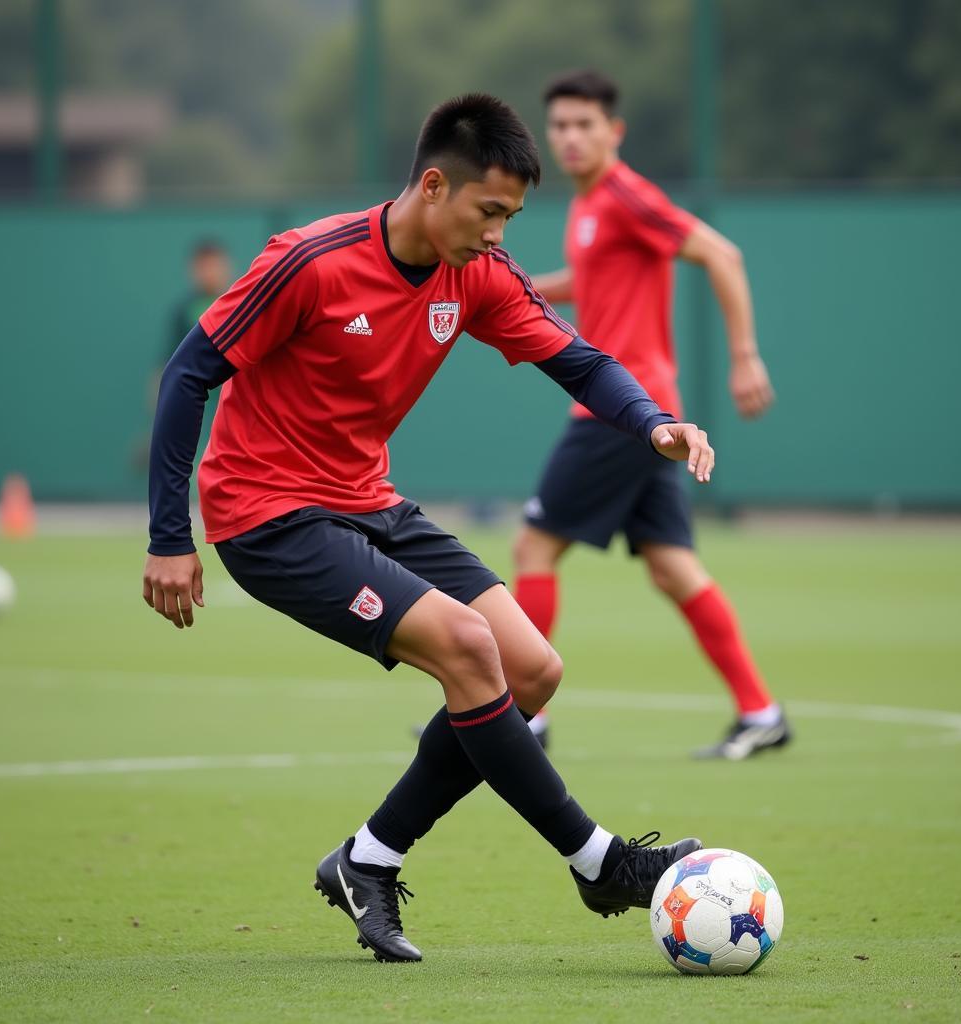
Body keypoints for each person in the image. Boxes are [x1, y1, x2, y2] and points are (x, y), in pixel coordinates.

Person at [143, 94, 716, 964]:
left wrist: (654, 422)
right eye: (489, 212)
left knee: (532, 668)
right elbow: (190, 372)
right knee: (467, 644)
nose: (498, 235)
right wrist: (168, 536)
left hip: (369, 501)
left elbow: (580, 359)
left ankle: (367, 860)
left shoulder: (477, 273)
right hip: (267, 514)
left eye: (512, 217)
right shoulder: (311, 260)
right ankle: (599, 863)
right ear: (434, 185)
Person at [513, 70, 789, 761]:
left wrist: (745, 355)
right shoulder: (586, 208)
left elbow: (721, 253)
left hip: (620, 410)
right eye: (561, 126)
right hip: (647, 414)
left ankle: (525, 715)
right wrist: (513, 289)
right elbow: (591, 281)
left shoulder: (626, 195)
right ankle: (761, 713)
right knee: (673, 568)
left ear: (614, 131)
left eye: (585, 125)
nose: (572, 137)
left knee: (533, 548)